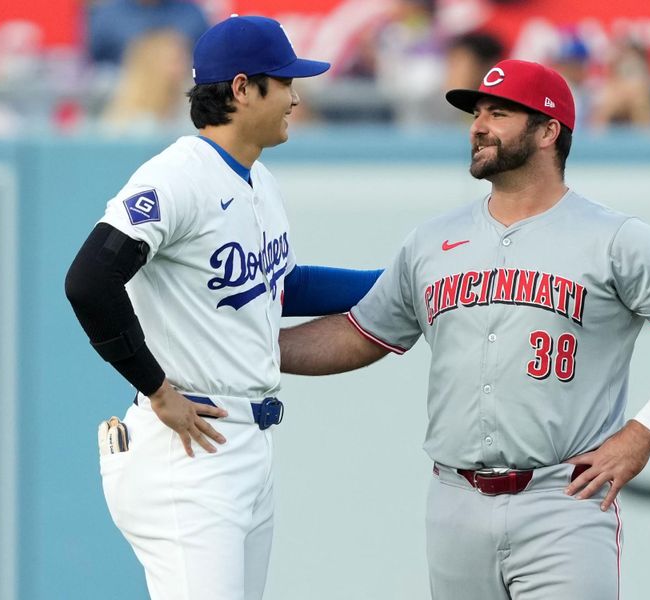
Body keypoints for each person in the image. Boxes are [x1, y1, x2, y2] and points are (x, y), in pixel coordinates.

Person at [279, 59, 650, 599]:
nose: (478, 125)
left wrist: (641, 436)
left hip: (560, 499)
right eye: (477, 113)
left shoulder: (616, 239)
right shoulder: (433, 240)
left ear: (549, 131)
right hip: (454, 497)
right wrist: (241, 353)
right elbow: (358, 335)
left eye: (499, 113)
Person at [65, 15, 380, 600]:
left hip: (247, 443)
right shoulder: (178, 176)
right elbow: (88, 280)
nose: (295, 95)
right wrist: (157, 390)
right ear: (242, 88)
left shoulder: (258, 180)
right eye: (284, 80)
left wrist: (398, 282)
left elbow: (282, 287)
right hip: (188, 452)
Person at [99, 29, 192, 135]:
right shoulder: (125, 122)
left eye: (186, 59)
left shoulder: (190, 106)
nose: (184, 67)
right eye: (175, 61)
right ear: (150, 68)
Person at [87, 0, 209, 65]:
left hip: (180, 100)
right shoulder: (106, 16)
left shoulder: (191, 14)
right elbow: (91, 66)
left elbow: (206, 61)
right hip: (122, 99)